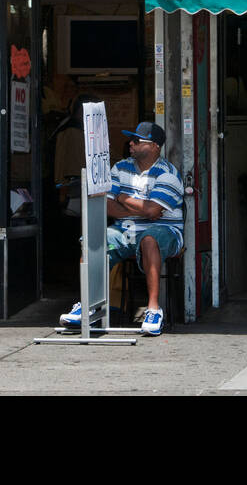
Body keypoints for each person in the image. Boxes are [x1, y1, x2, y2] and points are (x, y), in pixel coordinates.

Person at [59, 122, 184, 336]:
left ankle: (153, 309)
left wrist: (122, 197)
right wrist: (140, 209)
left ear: (155, 146)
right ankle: (88, 304)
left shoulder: (168, 174)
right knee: (93, 237)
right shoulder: (120, 168)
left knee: (149, 239)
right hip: (126, 230)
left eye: (137, 141)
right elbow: (107, 206)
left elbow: (154, 211)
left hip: (165, 231)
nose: (131, 144)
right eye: (130, 140)